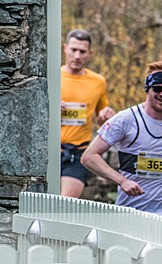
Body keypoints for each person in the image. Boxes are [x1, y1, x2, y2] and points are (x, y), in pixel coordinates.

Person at [82, 61, 162, 216]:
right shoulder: (125, 120)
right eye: (157, 88)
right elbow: (89, 157)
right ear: (147, 89)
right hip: (129, 213)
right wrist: (122, 181)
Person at [60, 29, 116, 198]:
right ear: (65, 48)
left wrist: (106, 115)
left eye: (82, 51)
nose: (77, 56)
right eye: (73, 50)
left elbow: (100, 121)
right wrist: (49, 108)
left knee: (64, 204)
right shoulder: (52, 76)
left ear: (90, 53)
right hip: (49, 150)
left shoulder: (98, 81)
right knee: (42, 203)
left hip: (78, 151)